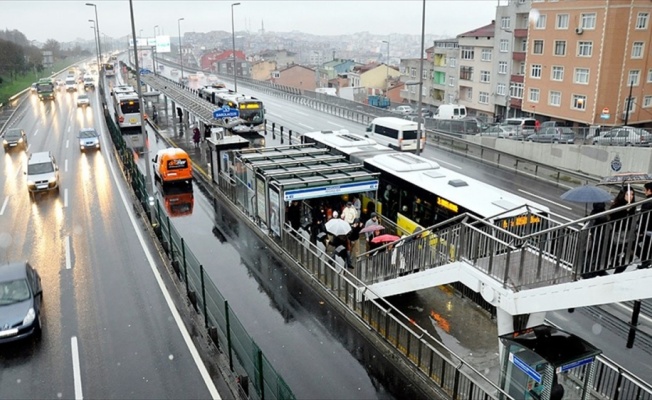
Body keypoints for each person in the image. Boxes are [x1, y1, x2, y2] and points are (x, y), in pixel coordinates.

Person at [609, 187, 637, 271]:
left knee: (630, 255)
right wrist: (625, 211)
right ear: (623, 195)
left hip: (628, 235)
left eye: (632, 194)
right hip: (618, 235)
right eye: (628, 194)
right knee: (616, 253)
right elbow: (614, 220)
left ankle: (618, 271)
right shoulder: (617, 206)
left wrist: (629, 210)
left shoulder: (632, 206)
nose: (630, 197)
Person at [637, 182, 652, 268]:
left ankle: (645, 262)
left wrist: (640, 230)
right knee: (648, 247)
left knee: (642, 245)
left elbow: (644, 218)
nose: (644, 192)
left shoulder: (647, 202)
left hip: (648, 229)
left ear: (649, 190)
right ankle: (646, 261)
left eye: (645, 190)